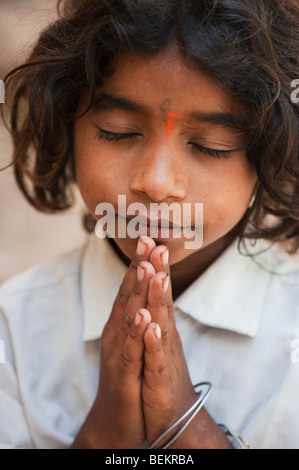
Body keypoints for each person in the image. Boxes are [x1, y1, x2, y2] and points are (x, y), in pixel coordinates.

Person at [0, 0, 299, 449]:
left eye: (210, 145)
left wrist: (188, 429)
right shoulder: (12, 333)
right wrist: (104, 436)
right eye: (119, 131)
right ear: (68, 128)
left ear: (271, 156)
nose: (157, 184)